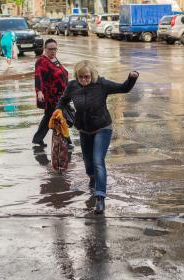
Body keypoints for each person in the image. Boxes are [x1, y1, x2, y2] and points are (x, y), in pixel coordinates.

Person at [56, 60, 139, 214]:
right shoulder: (73, 86)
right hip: (84, 129)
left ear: (92, 75)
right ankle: (92, 178)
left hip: (102, 128)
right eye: (80, 77)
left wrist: (131, 78)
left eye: (86, 77)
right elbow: (62, 101)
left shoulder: (102, 84)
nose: (84, 80)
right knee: (88, 162)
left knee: (97, 160)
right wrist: (58, 112)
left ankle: (100, 197)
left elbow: (124, 88)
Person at [32, 38, 70, 147]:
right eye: (50, 49)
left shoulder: (55, 59)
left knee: (49, 118)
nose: (53, 51)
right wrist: (39, 92)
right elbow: (38, 76)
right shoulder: (41, 61)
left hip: (60, 96)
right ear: (45, 49)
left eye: (55, 49)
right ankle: (67, 141)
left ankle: (37, 139)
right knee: (59, 118)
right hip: (51, 97)